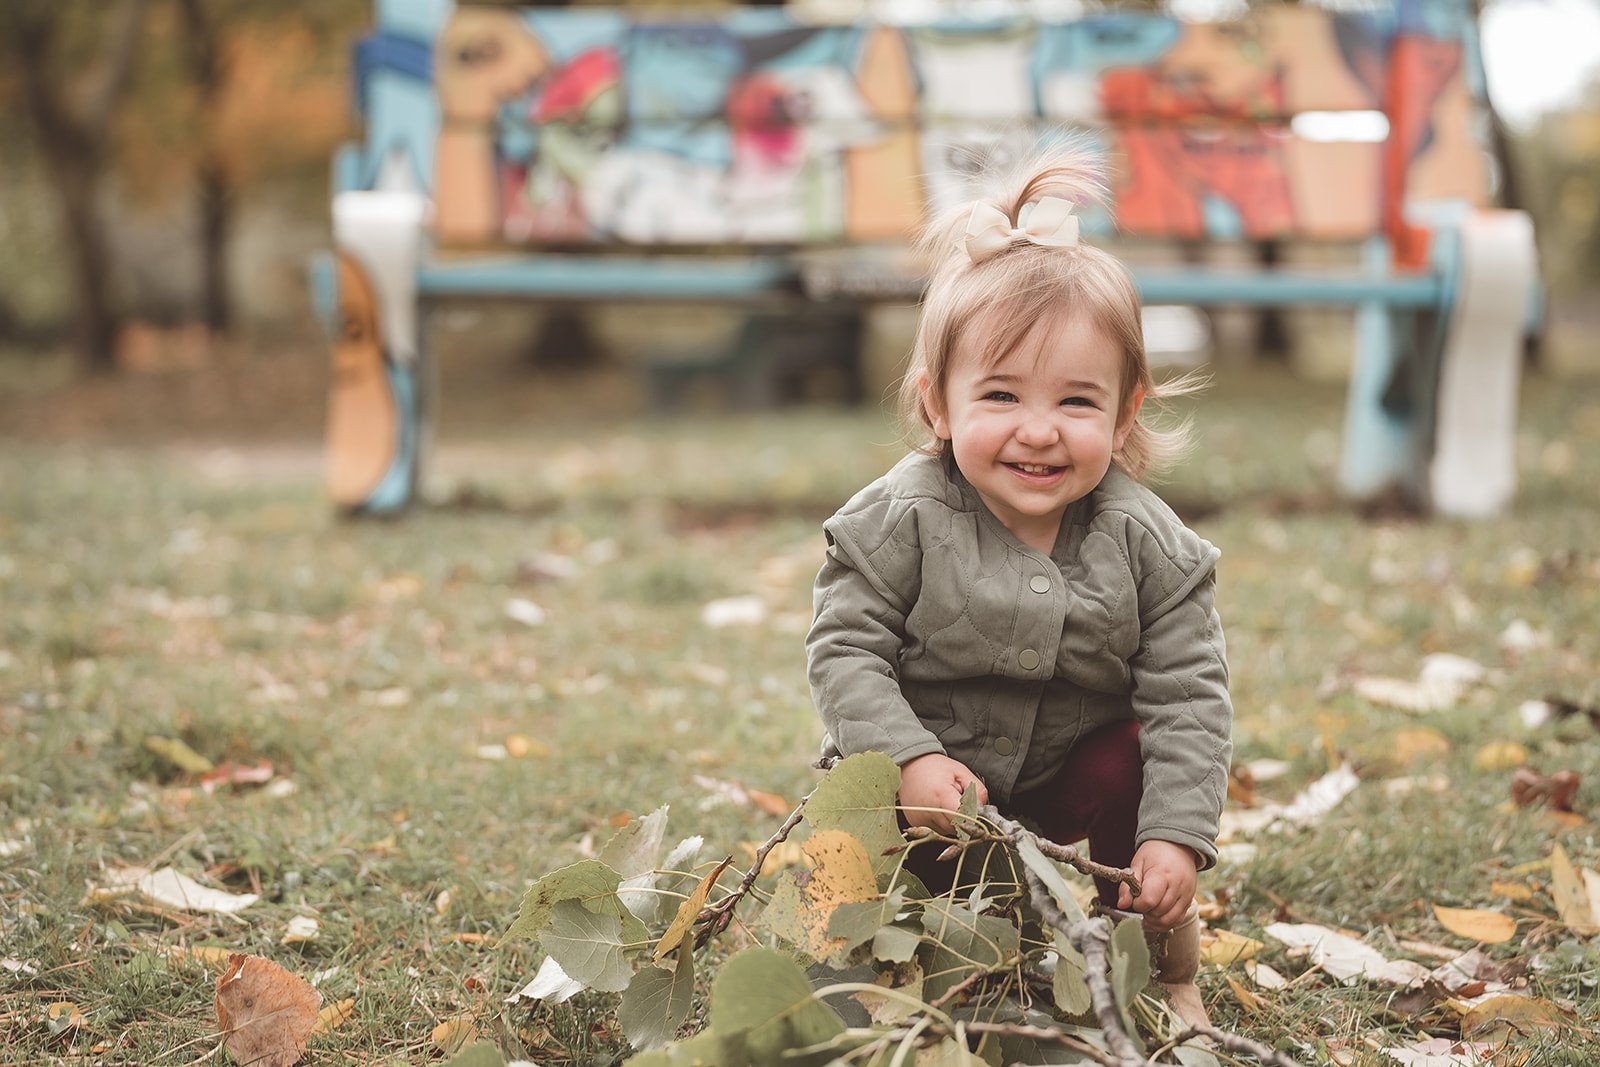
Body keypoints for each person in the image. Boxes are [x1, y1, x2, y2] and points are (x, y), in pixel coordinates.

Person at [806, 148, 1231, 1026]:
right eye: (1000, 394)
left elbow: (1191, 696)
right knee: (865, 839)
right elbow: (846, 650)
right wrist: (910, 756)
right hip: (936, 782)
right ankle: (885, 960)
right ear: (939, 404)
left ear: (1125, 412)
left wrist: (1173, 837)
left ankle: (1157, 970)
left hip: (1070, 768)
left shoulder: (1151, 542)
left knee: (1138, 756)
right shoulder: (897, 519)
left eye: (1077, 402)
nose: (1038, 431)